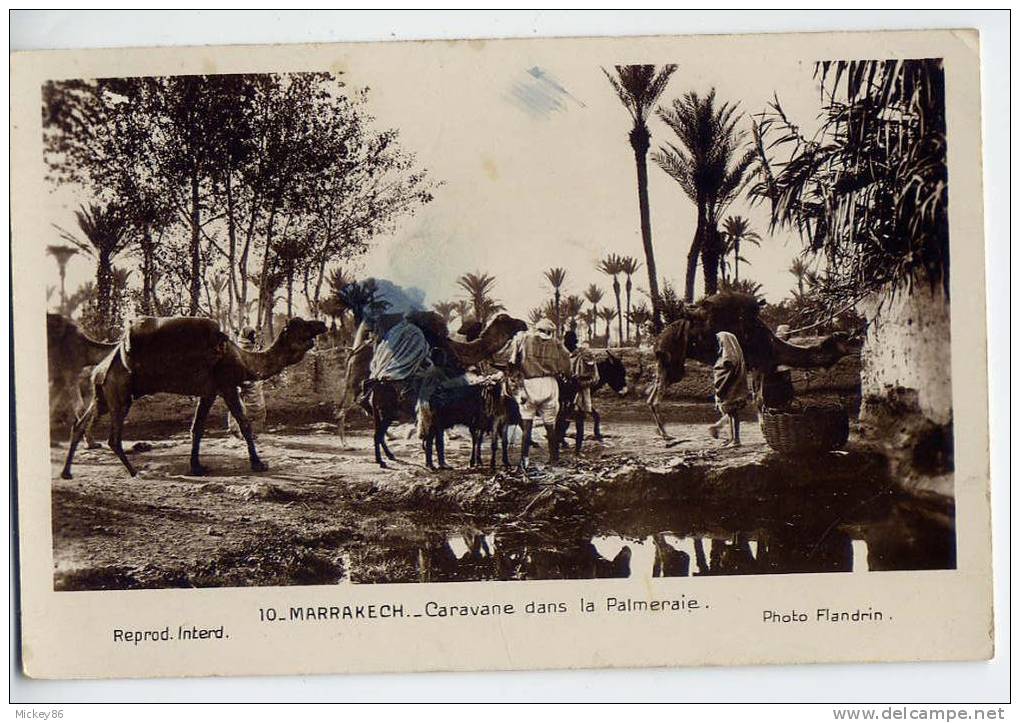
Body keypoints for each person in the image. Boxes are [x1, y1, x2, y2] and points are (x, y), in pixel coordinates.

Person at [506, 318, 571, 468]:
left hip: (529, 384)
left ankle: (524, 460)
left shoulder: (523, 339)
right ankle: (554, 458)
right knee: (550, 425)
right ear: (551, 332)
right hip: (550, 384)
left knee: (527, 425)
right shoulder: (557, 344)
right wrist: (566, 374)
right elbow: (567, 362)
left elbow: (512, 361)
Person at [707, 331, 748, 447]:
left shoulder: (730, 359)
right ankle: (731, 438)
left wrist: (721, 388)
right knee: (729, 413)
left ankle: (736, 440)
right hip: (727, 388)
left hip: (730, 388)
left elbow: (727, 372)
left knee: (732, 413)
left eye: (720, 342)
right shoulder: (727, 357)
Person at [229, 327, 267, 440]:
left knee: (248, 408)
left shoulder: (245, 347)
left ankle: (243, 434)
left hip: (249, 384)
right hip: (245, 383)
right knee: (248, 408)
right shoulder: (242, 348)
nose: (254, 338)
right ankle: (243, 434)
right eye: (252, 336)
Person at [568, 336, 600, 453]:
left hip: (580, 391)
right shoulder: (567, 355)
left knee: (579, 419)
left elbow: (594, 378)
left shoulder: (583, 356)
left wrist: (580, 382)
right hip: (568, 390)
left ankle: (577, 449)